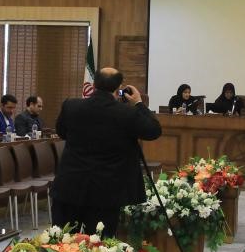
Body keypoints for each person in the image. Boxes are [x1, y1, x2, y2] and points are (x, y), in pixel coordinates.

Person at [52, 67, 162, 235]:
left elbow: (62, 132)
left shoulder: (71, 106)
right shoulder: (127, 113)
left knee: (62, 242)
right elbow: (153, 130)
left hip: (70, 186)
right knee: (100, 246)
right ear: (119, 88)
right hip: (106, 192)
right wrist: (139, 103)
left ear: (94, 85)